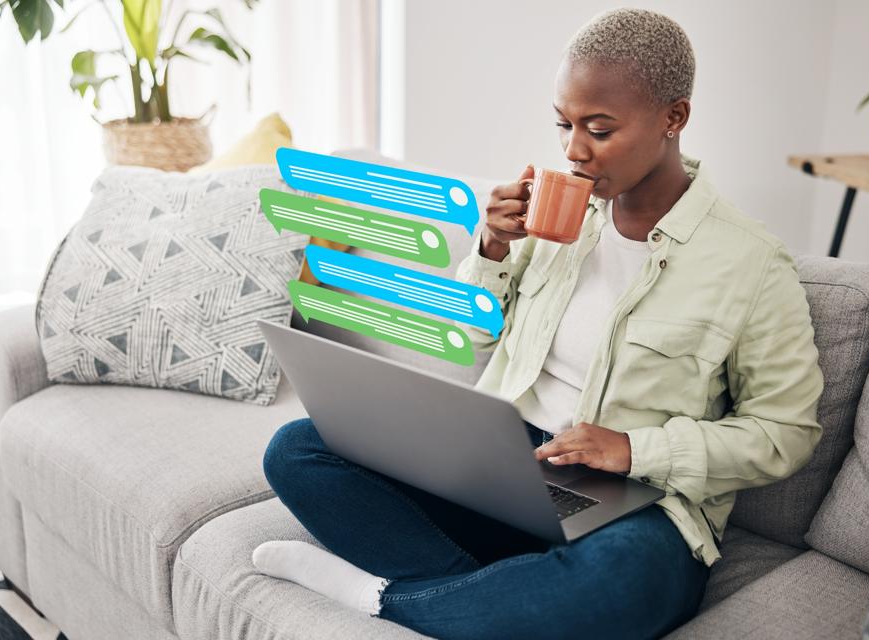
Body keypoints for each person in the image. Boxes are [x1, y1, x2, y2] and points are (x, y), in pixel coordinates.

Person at [252, 7, 824, 640]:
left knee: (616, 582)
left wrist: (634, 448)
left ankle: (391, 600)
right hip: (506, 461)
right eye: (564, 124)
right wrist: (491, 248)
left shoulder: (751, 264)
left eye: (599, 130)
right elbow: (472, 339)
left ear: (673, 117)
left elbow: (787, 432)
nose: (574, 151)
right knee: (299, 448)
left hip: (637, 498)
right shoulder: (554, 218)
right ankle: (496, 595)